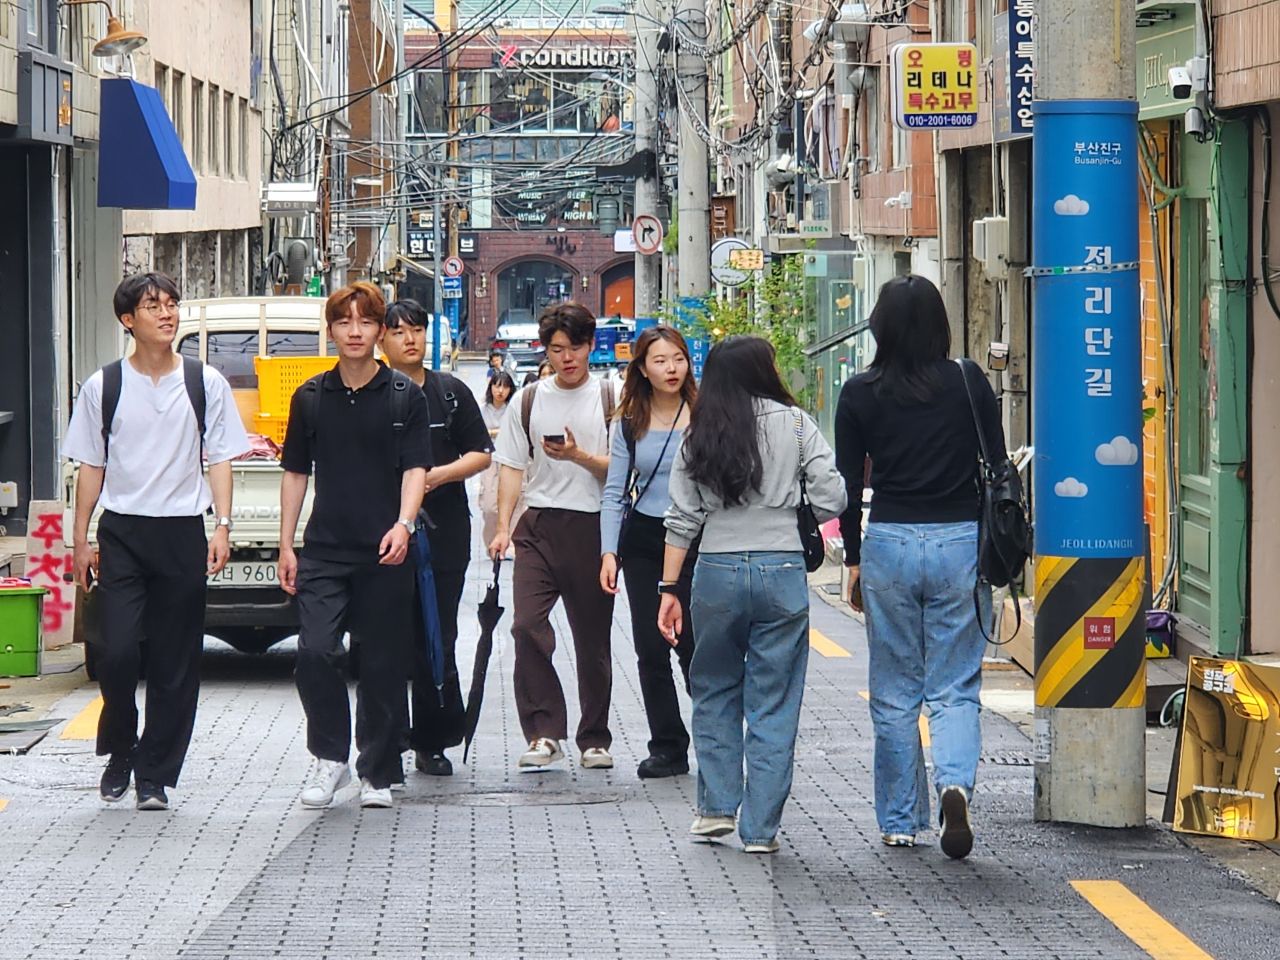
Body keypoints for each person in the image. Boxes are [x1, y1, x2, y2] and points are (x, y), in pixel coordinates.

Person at [63, 272, 251, 811]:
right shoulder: (104, 387)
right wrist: (81, 540)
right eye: (153, 306)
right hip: (123, 532)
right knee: (115, 651)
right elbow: (91, 467)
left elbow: (219, 458)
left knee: (176, 660)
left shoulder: (204, 382)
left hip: (181, 532)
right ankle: (121, 744)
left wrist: (223, 525)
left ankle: (155, 773)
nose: (167, 314)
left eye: (172, 305)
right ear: (129, 320)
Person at [834, 275, 1002, 860]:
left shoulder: (858, 392)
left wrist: (852, 560)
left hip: (889, 542)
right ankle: (954, 783)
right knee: (955, 685)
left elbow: (847, 489)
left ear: (879, 326)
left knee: (895, 689)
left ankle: (901, 821)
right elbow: (998, 464)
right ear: (940, 324)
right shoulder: (968, 380)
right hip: (960, 540)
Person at [659, 336, 846, 853]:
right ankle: (761, 830)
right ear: (765, 371)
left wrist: (668, 587)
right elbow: (834, 496)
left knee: (715, 687)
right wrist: (794, 517)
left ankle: (716, 808)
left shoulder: (699, 432)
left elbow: (682, 518)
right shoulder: (794, 423)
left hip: (715, 569)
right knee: (774, 701)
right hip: (782, 568)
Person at [278, 282, 431, 810]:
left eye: (366, 322)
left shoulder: (403, 396)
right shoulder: (311, 397)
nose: (355, 332)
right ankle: (329, 757)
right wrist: (286, 544)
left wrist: (404, 525)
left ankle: (378, 771)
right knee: (315, 652)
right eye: (344, 322)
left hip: (385, 549)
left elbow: (416, 467)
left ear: (380, 332)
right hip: (323, 549)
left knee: (384, 664)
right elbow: (296, 473)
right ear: (331, 331)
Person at [488, 302, 616, 770]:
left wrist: (579, 456)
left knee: (592, 639)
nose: (567, 358)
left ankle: (595, 738)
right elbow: (510, 469)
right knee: (525, 626)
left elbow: (621, 470)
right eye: (558, 349)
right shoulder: (528, 399)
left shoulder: (610, 395)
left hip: (591, 525)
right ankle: (544, 731)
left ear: (590, 347)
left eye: (576, 348)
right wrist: (503, 528)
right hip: (538, 525)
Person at [376, 299, 493, 777]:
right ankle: (388, 741)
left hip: (444, 533)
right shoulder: (375, 394)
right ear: (382, 339)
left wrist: (438, 475)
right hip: (384, 533)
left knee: (438, 635)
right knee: (387, 638)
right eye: (399, 330)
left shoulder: (450, 393)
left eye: (418, 329)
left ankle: (433, 739)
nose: (410, 339)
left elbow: (482, 454)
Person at [600, 326, 698, 779]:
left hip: (700, 541)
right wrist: (608, 553)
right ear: (642, 368)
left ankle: (719, 739)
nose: (671, 368)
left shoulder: (704, 414)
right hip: (644, 541)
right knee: (651, 647)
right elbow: (614, 492)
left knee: (697, 647)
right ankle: (668, 746)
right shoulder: (629, 421)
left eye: (677, 358)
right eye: (660, 361)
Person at [480, 370, 522, 548]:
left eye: (505, 387)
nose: (500, 391)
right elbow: (479, 433)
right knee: (489, 505)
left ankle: (509, 543)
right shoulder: (482, 410)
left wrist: (493, 432)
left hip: (509, 458)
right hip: (489, 459)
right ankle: (491, 541)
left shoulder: (513, 409)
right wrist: (498, 432)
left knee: (514, 502)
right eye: (497, 385)